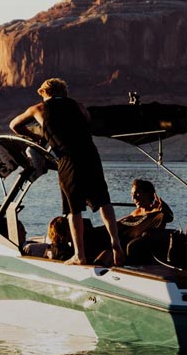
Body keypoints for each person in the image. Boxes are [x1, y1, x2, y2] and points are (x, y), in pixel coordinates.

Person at [10, 78, 124, 266]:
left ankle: (79, 255)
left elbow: (14, 125)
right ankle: (115, 243)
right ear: (64, 92)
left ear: (44, 93)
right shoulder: (78, 106)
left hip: (68, 158)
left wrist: (36, 136)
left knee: (73, 208)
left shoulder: (37, 109)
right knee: (103, 200)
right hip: (91, 155)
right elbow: (86, 122)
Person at [118, 178, 173, 264]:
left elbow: (169, 217)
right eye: (132, 194)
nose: (133, 198)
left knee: (131, 246)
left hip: (145, 245)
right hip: (129, 239)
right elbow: (121, 223)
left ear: (147, 194)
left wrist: (164, 208)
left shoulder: (156, 212)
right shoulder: (136, 212)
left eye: (137, 193)